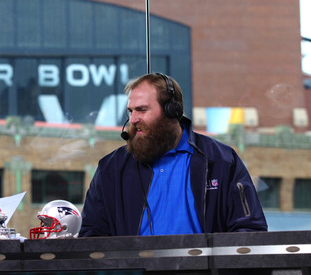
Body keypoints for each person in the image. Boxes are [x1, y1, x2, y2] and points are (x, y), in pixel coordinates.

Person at [80, 72, 267, 237]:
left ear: (172, 110)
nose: (133, 119)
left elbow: (250, 229)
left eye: (142, 110)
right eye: (130, 111)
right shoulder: (111, 169)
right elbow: (92, 235)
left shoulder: (222, 161)